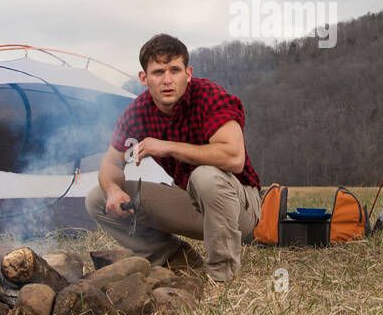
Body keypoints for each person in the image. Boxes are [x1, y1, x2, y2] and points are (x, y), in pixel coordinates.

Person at [85, 33, 263, 283]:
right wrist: (113, 189)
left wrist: (167, 147)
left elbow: (234, 157)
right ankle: (176, 260)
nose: (167, 80)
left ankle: (221, 278)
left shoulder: (209, 96)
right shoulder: (138, 111)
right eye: (158, 72)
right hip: (190, 199)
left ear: (188, 74)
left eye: (175, 70)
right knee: (97, 198)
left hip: (239, 205)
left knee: (206, 175)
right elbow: (111, 162)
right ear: (144, 78)